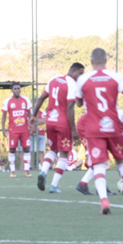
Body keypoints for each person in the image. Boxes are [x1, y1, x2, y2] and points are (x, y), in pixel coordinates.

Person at [75, 48, 123, 214]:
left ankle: (104, 201)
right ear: (106, 60)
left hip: (94, 128)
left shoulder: (83, 79)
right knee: (122, 162)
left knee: (98, 165)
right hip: (113, 126)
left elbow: (78, 103)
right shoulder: (115, 76)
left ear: (91, 62)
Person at [33, 63, 84, 194]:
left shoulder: (53, 79)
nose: (81, 77)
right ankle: (54, 185)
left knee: (53, 149)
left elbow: (41, 98)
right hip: (63, 123)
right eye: (80, 73)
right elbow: (70, 108)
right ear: (74, 71)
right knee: (64, 154)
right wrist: (73, 129)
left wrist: (33, 115)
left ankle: (43, 172)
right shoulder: (72, 84)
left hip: (50, 122)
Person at [1, 83, 32, 178]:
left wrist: (32, 126)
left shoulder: (26, 100)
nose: (17, 90)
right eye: (15, 88)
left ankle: (26, 171)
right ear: (12, 90)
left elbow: (29, 114)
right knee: (12, 149)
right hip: (13, 130)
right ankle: (13, 171)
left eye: (18, 88)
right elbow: (4, 115)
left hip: (25, 129)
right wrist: (3, 128)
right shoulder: (7, 101)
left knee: (26, 148)